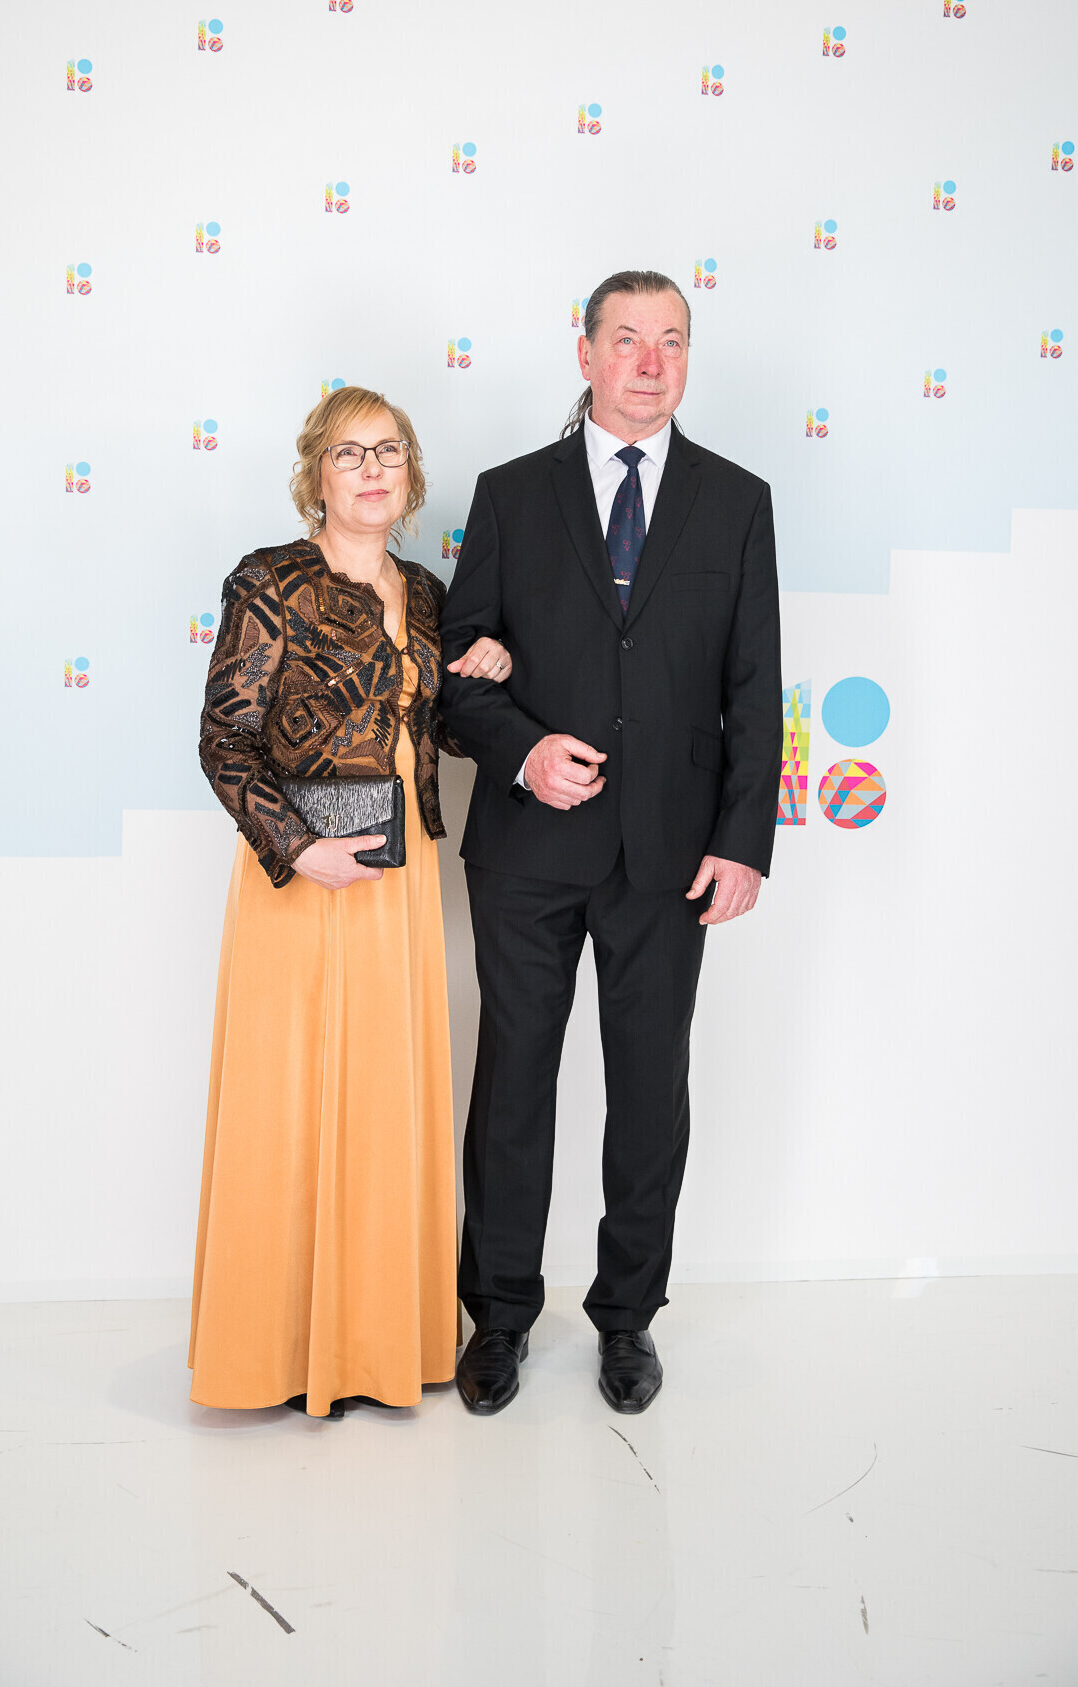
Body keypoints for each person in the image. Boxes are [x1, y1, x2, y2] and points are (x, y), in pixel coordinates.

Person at [439, 269, 783, 1416]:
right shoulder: (511, 493)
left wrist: (743, 841)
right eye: (627, 338)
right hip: (528, 848)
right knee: (514, 1084)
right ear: (583, 354)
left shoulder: (737, 501)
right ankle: (497, 1313)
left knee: (649, 1091)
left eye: (671, 340)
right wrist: (523, 750)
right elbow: (460, 674)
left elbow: (754, 685)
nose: (649, 361)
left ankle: (628, 1317)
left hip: (672, 855)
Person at [188, 385, 511, 1418]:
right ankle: (281, 1354)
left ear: (410, 474)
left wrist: (487, 667)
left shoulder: (427, 592)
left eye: (389, 452)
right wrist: (298, 847)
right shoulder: (271, 582)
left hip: (396, 875)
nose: (372, 471)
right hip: (301, 878)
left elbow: (438, 728)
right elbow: (224, 740)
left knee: (382, 1100)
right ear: (316, 476)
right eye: (349, 453)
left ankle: (376, 1346)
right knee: (290, 1099)